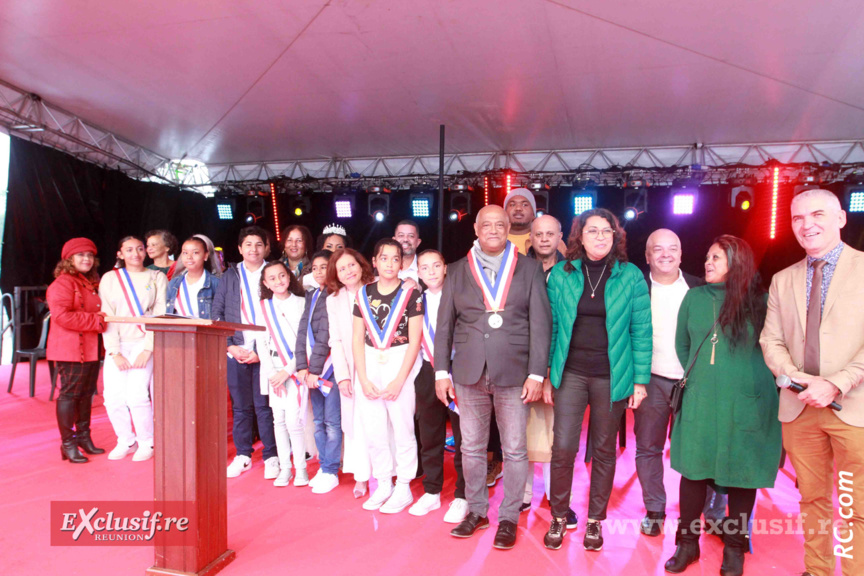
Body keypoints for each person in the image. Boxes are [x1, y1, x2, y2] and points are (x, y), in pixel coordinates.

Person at [435, 204, 552, 550]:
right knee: (471, 449)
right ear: (476, 228)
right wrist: (442, 371)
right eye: (486, 224)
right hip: (468, 373)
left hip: (515, 372)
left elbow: (541, 325)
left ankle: (510, 517)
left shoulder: (529, 269)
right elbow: (444, 325)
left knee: (515, 450)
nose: (493, 230)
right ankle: (476, 511)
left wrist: (536, 372)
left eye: (500, 224)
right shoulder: (456, 270)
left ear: (509, 229)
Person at [761, 189, 864, 576]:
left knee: (857, 506)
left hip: (855, 408)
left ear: (840, 218)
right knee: (812, 500)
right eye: (798, 218)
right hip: (799, 408)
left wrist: (836, 384)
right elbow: (770, 340)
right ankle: (818, 570)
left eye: (817, 215)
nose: (807, 225)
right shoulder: (782, 279)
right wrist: (797, 380)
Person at [664, 235, 781, 576]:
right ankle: (687, 545)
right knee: (693, 472)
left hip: (749, 402)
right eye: (707, 257)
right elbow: (682, 344)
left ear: (737, 262)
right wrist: (703, 379)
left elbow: (775, 346)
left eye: (716, 258)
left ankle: (734, 548)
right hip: (701, 399)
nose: (707, 263)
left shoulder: (760, 301)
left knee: (743, 475)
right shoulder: (694, 297)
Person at [543, 208, 651, 552]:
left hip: (613, 376)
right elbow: (552, 328)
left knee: (604, 451)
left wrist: (640, 379)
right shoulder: (561, 273)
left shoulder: (630, 275)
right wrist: (548, 373)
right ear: (580, 236)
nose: (601, 237)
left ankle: (595, 521)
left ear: (615, 236)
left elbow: (641, 330)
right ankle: (559, 516)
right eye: (593, 231)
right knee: (562, 448)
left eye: (607, 231)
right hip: (570, 373)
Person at [636, 228, 726, 537]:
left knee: (703, 448)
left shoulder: (700, 288)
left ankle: (711, 513)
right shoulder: (635, 289)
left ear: (681, 254)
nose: (665, 254)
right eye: (657, 249)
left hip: (695, 381)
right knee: (648, 447)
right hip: (650, 381)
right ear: (647, 256)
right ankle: (655, 509)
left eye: (672, 248)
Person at [353, 239, 424, 514]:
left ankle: (404, 485)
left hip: (401, 361)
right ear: (375, 261)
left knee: (403, 428)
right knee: (374, 430)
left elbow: (415, 340)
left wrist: (399, 380)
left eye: (396, 259)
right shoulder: (363, 294)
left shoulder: (411, 294)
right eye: (385, 258)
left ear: (402, 263)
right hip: (370, 363)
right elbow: (357, 339)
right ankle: (383, 482)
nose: (390, 264)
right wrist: (363, 377)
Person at [212, 226, 279, 479]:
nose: (253, 249)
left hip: (265, 351)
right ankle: (243, 455)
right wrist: (229, 345)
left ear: (267, 248)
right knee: (241, 408)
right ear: (240, 248)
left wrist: (263, 352)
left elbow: (282, 313)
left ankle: (271, 456)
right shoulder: (230, 275)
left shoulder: (274, 273)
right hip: (236, 350)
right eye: (248, 244)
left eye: (259, 244)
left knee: (264, 407)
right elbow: (217, 312)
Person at [408, 249, 467, 523]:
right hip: (428, 372)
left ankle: (463, 495)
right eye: (424, 267)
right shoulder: (414, 302)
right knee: (429, 434)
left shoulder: (461, 296)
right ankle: (431, 490)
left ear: (446, 268)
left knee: (465, 436)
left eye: (436, 266)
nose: (431, 272)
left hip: (459, 370)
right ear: (417, 272)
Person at [99, 235, 167, 462]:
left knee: (137, 394)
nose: (135, 254)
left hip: (144, 341)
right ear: (120, 254)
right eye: (129, 250)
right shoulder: (109, 278)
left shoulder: (156, 277)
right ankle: (125, 439)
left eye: (140, 249)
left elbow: (159, 315)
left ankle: (147, 441)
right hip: (117, 343)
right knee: (112, 397)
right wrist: (114, 352)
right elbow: (106, 316)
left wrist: (148, 348)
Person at [46, 238, 108, 463]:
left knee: (85, 394)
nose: (87, 259)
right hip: (69, 349)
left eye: (90, 255)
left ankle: (83, 437)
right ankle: (68, 443)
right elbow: (61, 316)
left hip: (91, 348)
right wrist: (96, 320)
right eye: (81, 255)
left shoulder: (88, 281)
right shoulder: (63, 283)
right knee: (70, 395)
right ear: (69, 259)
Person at [326, 247, 376, 499]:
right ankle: (361, 477)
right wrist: (343, 376)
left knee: (382, 421)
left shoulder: (378, 287)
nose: (348, 271)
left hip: (381, 364)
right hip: (352, 369)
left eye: (351, 265)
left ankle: (386, 473)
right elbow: (335, 341)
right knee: (356, 425)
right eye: (341, 268)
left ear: (361, 264)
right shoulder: (333, 300)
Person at [255, 260, 309, 487]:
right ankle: (285, 468)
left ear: (289, 276)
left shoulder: (302, 303)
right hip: (272, 372)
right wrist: (271, 373)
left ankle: (301, 469)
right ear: (266, 283)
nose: (279, 281)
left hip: (294, 371)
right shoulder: (263, 307)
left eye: (282, 275)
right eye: (272, 278)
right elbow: (260, 341)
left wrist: (288, 371)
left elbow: (305, 341)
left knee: (294, 422)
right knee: (278, 421)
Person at [296, 250, 342, 495]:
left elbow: (326, 335)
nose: (319, 272)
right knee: (318, 422)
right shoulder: (312, 295)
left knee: (332, 423)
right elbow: (302, 332)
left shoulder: (337, 295)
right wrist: (301, 366)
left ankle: (332, 470)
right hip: (312, 369)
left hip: (330, 368)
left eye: (324, 267)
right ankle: (324, 467)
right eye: (314, 268)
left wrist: (313, 370)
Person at [166, 236, 221, 319]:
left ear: (205, 255)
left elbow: (221, 315)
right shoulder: (174, 283)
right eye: (185, 253)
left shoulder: (216, 283)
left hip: (205, 331)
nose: (189, 257)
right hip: (180, 331)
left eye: (195, 252)